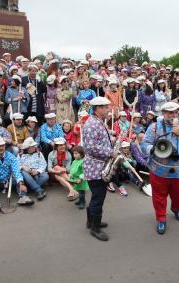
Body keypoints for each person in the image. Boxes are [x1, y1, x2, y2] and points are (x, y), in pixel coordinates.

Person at [144, 101, 179, 234]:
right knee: (159, 196)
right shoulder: (154, 127)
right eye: (169, 112)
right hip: (159, 170)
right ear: (163, 113)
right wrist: (153, 150)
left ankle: (176, 207)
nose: (173, 115)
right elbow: (145, 144)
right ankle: (161, 218)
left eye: (175, 112)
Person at [82, 96, 114, 241]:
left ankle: (91, 221)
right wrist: (110, 152)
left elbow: (99, 140)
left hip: (98, 165)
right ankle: (95, 228)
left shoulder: (98, 121)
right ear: (98, 108)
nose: (108, 110)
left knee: (97, 196)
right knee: (98, 197)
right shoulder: (92, 124)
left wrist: (111, 139)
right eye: (106, 107)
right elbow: (90, 147)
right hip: (95, 167)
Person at [0, 137, 33, 211]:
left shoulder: (10, 156)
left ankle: (22, 197)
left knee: (19, 180)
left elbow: (16, 170)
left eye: (3, 146)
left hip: (8, 180)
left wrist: (21, 183)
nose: (1, 148)